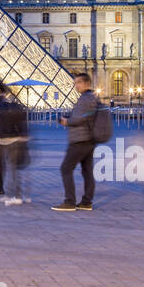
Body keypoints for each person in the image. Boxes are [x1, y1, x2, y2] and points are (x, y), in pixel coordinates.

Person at [53, 73, 101, 212]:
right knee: (87, 171)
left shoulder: (85, 99)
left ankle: (69, 201)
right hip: (89, 140)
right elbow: (84, 116)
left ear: (86, 83)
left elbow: (79, 119)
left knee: (66, 169)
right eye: (75, 83)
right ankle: (86, 202)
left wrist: (66, 121)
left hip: (80, 140)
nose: (76, 86)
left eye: (78, 82)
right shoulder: (92, 98)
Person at [0, 82, 29, 205]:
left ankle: (14, 194)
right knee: (12, 168)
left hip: (2, 139)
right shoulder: (16, 106)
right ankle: (13, 194)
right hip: (12, 138)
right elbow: (22, 122)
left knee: (7, 167)